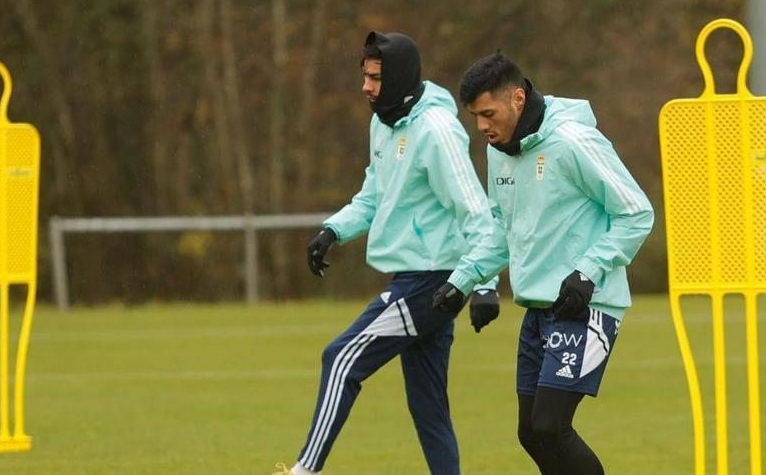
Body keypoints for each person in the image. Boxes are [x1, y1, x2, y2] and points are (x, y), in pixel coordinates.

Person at [275, 31, 507, 475]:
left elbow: (476, 212)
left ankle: (304, 470)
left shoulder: (436, 131)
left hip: (433, 280)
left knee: (340, 359)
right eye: (364, 75)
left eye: (376, 78)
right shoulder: (384, 121)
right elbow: (375, 193)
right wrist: (333, 231)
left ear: (399, 77)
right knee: (429, 410)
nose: (366, 86)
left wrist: (484, 284)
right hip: (416, 278)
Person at [457, 52, 654, 475]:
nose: (482, 127)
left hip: (586, 307)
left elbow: (636, 212)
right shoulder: (499, 151)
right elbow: (500, 226)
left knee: (549, 426)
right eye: (475, 117)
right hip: (539, 309)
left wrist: (589, 271)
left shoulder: (573, 142)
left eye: (488, 114)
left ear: (517, 98)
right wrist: (467, 281)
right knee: (531, 432)